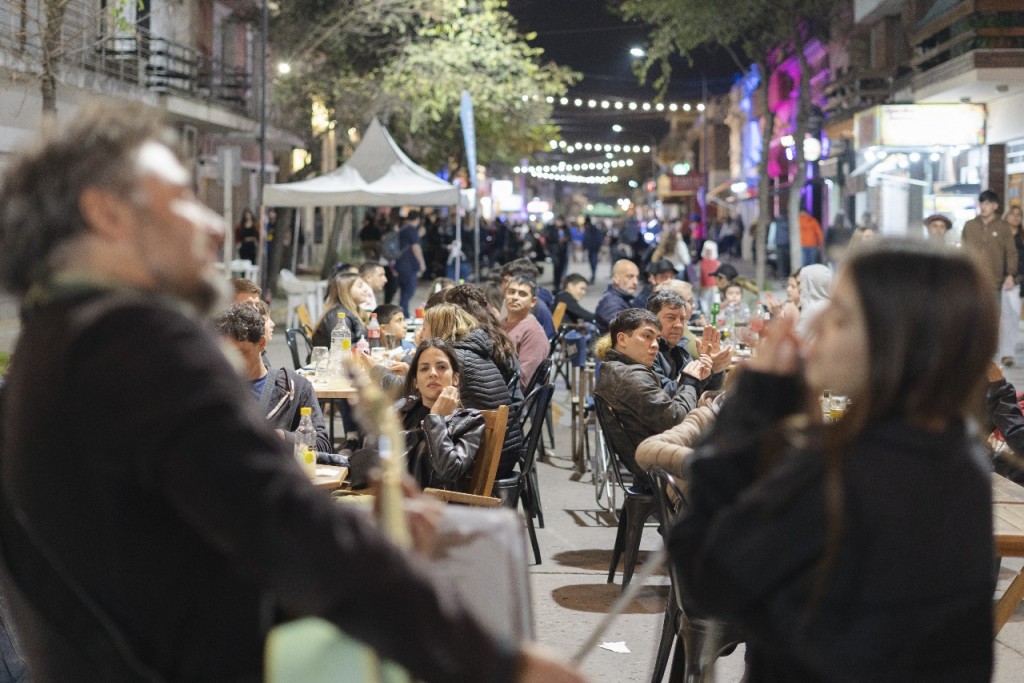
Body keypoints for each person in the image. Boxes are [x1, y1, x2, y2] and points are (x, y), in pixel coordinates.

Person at [0, 102, 581, 682]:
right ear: (105, 214)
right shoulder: (140, 343)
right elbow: (287, 529)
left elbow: (182, 534)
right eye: (180, 198)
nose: (215, 225)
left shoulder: (50, 340)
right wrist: (499, 660)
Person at [670, 238, 997, 681]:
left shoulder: (851, 468)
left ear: (894, 345)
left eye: (840, 316)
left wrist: (752, 404)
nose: (817, 323)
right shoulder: (956, 452)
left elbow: (705, 580)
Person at [213, 303, 333, 457]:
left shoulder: (295, 388)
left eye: (241, 353)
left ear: (261, 343)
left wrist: (282, 437)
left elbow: (322, 445)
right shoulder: (210, 389)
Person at [423, 304, 524, 479]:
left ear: (437, 329)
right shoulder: (470, 351)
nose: (421, 333)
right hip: (504, 450)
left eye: (424, 327)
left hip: (487, 460)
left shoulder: (455, 357)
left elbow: (420, 389)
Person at [593, 308, 711, 445]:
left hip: (657, 451)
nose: (655, 345)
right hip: (661, 458)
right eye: (647, 336)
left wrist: (696, 380)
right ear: (622, 339)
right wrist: (689, 382)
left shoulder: (616, 368)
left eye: (657, 339)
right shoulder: (631, 377)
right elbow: (677, 421)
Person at [395, 339, 485, 489]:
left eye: (441, 367)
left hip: (434, 508)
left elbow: (448, 472)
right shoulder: (404, 410)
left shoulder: (470, 421)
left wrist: (436, 418)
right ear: (416, 381)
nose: (433, 373)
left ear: (455, 378)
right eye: (424, 369)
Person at [646, 290, 729, 399]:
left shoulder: (680, 349)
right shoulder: (647, 351)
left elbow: (707, 391)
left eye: (682, 319)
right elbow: (663, 395)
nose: (679, 325)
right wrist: (694, 375)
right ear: (652, 320)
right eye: (671, 318)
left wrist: (713, 369)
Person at [502, 276, 549, 391]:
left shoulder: (533, 332)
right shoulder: (501, 324)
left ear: (533, 302)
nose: (515, 297)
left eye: (522, 294)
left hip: (511, 399)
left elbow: (523, 382)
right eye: (511, 292)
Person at [311, 272, 368, 348]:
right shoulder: (339, 315)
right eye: (360, 286)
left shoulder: (355, 311)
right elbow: (341, 349)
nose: (366, 289)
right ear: (346, 291)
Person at [396, 210, 427, 316]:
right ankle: (404, 313)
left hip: (400, 263)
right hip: (409, 265)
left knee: (404, 291)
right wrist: (422, 263)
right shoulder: (412, 230)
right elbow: (415, 247)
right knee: (409, 290)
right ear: (417, 219)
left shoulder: (402, 229)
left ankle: (404, 312)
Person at [595, 259, 640, 334]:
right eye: (630, 276)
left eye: (637, 277)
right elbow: (626, 330)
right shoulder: (610, 303)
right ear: (616, 279)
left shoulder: (624, 298)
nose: (635, 282)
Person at [794, 263, 833, 340]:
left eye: (801, 282)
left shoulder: (812, 310)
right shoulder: (831, 306)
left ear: (810, 283)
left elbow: (794, 341)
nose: (800, 287)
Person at [583, 215, 604, 283]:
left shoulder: (590, 229)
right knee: (592, 262)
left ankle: (593, 275)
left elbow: (588, 238)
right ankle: (593, 274)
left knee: (593, 262)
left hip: (593, 248)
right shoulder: (592, 228)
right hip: (593, 248)